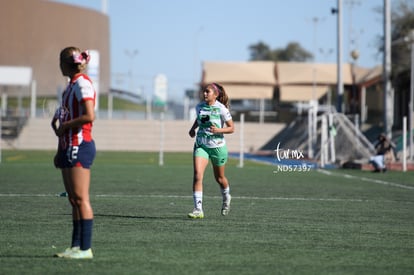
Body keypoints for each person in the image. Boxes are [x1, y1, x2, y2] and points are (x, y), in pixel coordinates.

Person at [51, 46, 96, 259]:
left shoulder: (82, 84)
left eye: (60, 62)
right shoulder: (69, 86)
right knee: (73, 199)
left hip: (81, 145)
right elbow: (69, 113)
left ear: (65, 64)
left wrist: (66, 124)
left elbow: (89, 116)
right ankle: (75, 246)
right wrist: (58, 119)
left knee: (81, 198)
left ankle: (85, 249)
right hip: (69, 145)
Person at [188, 83, 234, 219]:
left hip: (218, 147)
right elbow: (200, 118)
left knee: (219, 178)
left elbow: (232, 128)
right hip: (201, 145)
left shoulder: (222, 109)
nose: (205, 94)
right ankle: (198, 209)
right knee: (197, 175)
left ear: (216, 94)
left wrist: (218, 130)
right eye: (204, 91)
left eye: (208, 92)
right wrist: (193, 128)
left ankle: (226, 197)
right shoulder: (199, 106)